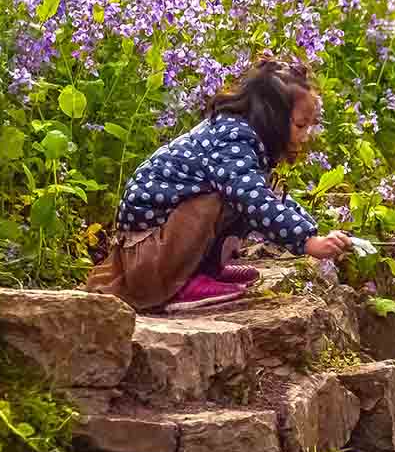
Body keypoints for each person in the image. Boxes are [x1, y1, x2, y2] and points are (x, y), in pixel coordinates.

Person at [86, 58, 353, 312]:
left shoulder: (245, 140)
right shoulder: (233, 138)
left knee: (245, 192)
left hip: (159, 246)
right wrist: (306, 242)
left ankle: (203, 270)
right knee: (226, 198)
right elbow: (254, 200)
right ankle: (179, 283)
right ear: (272, 116)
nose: (306, 135)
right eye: (300, 125)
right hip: (149, 255)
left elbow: (271, 199)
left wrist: (312, 232)